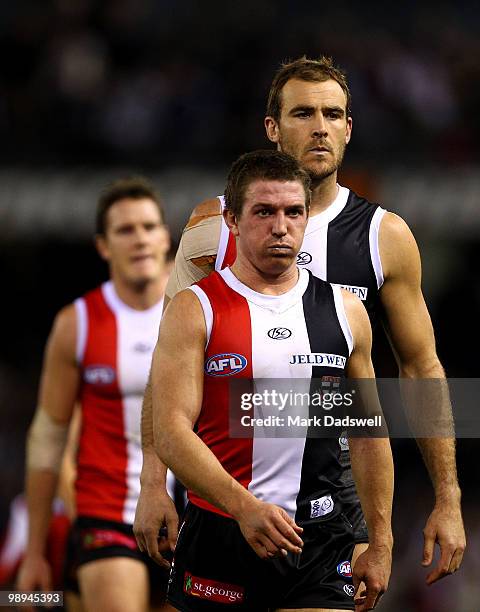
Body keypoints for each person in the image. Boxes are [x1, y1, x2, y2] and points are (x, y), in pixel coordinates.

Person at [134, 56, 465, 585]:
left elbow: (421, 368)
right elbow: (167, 363)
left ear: (349, 129)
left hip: (339, 493)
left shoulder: (384, 237)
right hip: (224, 489)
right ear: (272, 128)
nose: (319, 128)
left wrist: (448, 497)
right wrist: (153, 482)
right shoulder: (211, 227)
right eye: (303, 113)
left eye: (333, 115)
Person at [152, 149, 393, 611]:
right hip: (222, 530)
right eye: (264, 211)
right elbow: (171, 431)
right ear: (233, 219)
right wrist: (243, 507)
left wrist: (380, 539)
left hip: (320, 540)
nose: (281, 226)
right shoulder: (194, 309)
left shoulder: (346, 312)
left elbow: (369, 433)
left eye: (293, 212)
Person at [16, 177, 175, 612]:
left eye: (148, 226)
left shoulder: (200, 312)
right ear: (103, 247)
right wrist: (34, 551)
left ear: (165, 237)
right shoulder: (78, 323)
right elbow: (47, 438)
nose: (139, 238)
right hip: (107, 512)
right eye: (125, 230)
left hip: (194, 517)